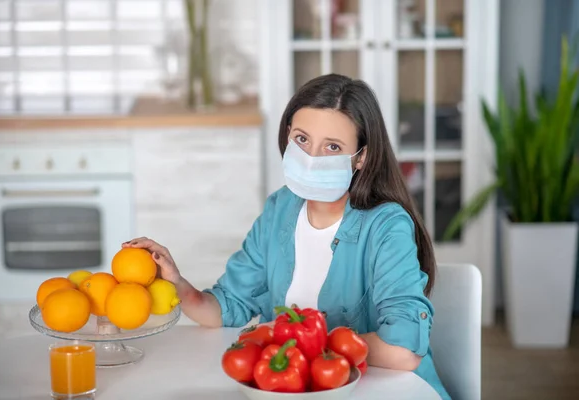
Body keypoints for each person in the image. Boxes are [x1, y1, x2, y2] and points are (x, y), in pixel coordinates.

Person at [123, 73, 450, 399]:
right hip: (296, 386)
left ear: (361, 157)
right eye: (302, 139)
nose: (311, 158)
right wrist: (176, 282)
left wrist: (296, 343)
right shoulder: (280, 208)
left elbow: (403, 351)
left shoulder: (386, 226)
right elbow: (226, 306)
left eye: (332, 146)